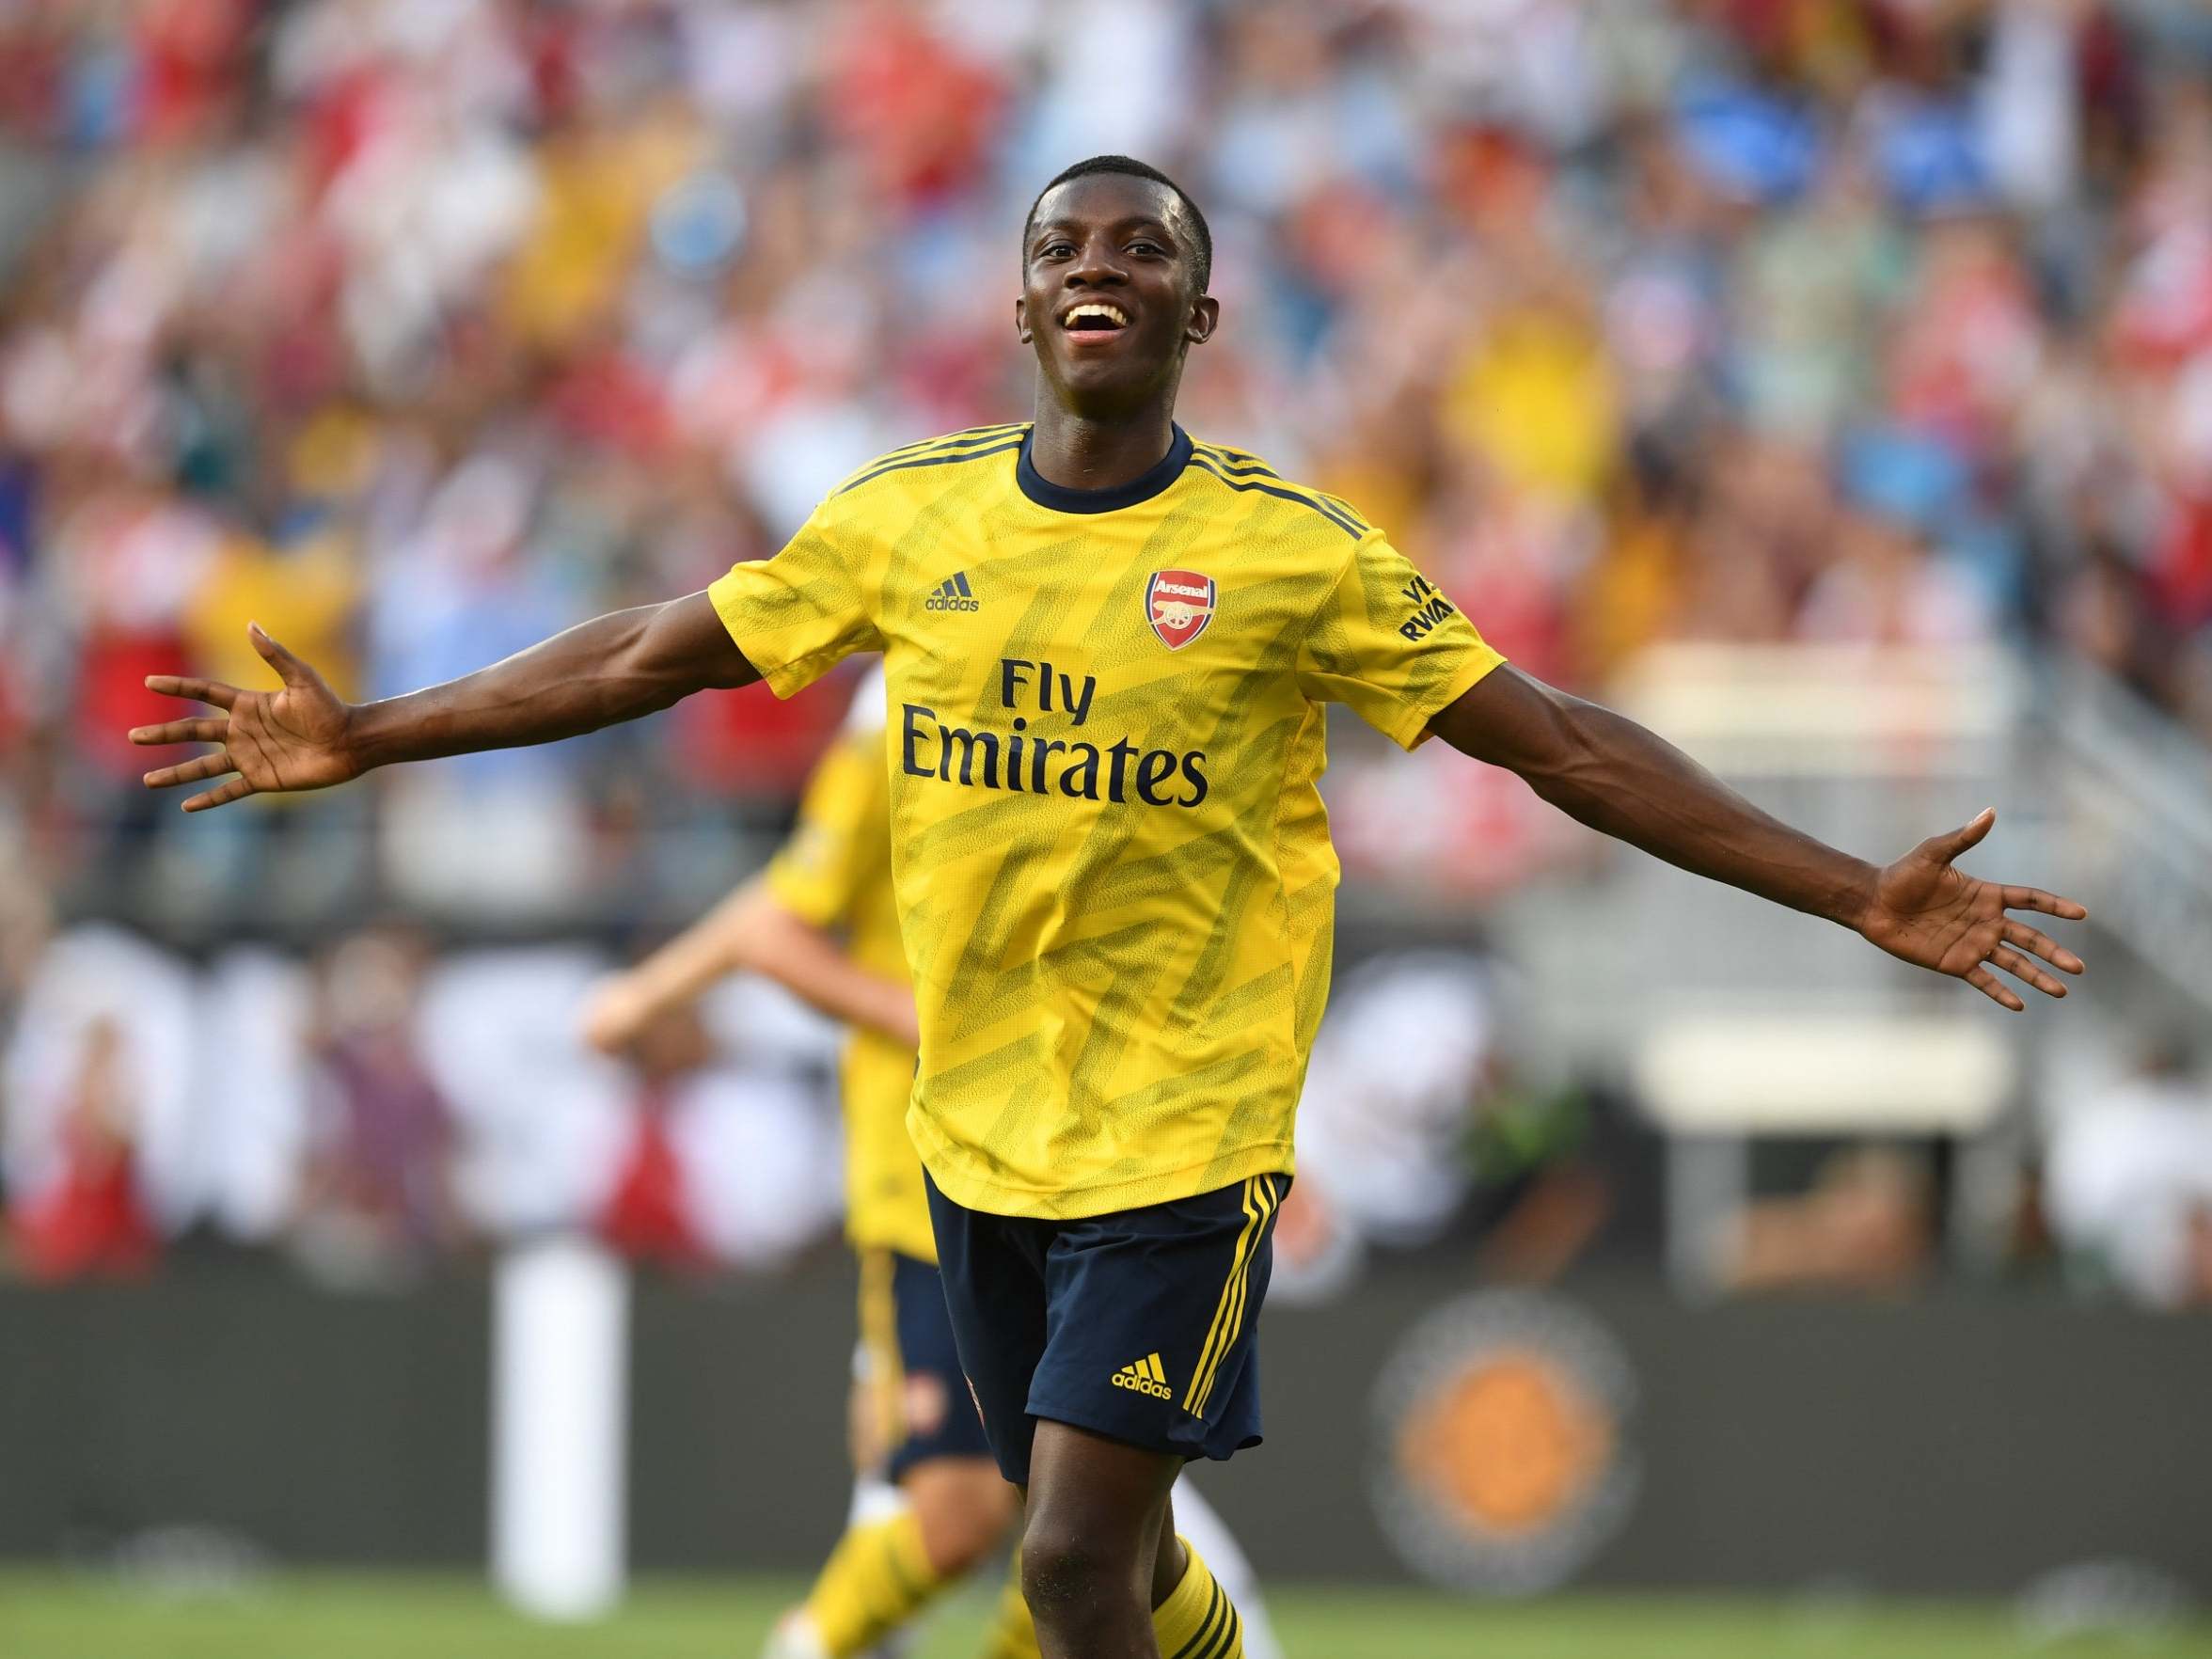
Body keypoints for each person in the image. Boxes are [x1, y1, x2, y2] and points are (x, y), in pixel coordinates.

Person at [134, 154, 2088, 1658]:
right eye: (1070, 244)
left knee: (1063, 1555)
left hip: (1183, 1134)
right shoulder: (909, 521)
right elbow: (658, 650)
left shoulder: (1287, 554)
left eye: (1145, 250)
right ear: (1014, 300)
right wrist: (372, 734)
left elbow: (1562, 742)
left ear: (1203, 313)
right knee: (1125, 1570)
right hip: (972, 1139)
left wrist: (1850, 893)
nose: (1101, 268)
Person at [580, 667, 1280, 1659]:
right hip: (934, 1179)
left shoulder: (1085, 697)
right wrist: (935, 1022)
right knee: (986, 1513)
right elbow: (777, 923)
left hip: (1077, 1165)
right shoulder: (903, 714)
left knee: (1072, 1512)